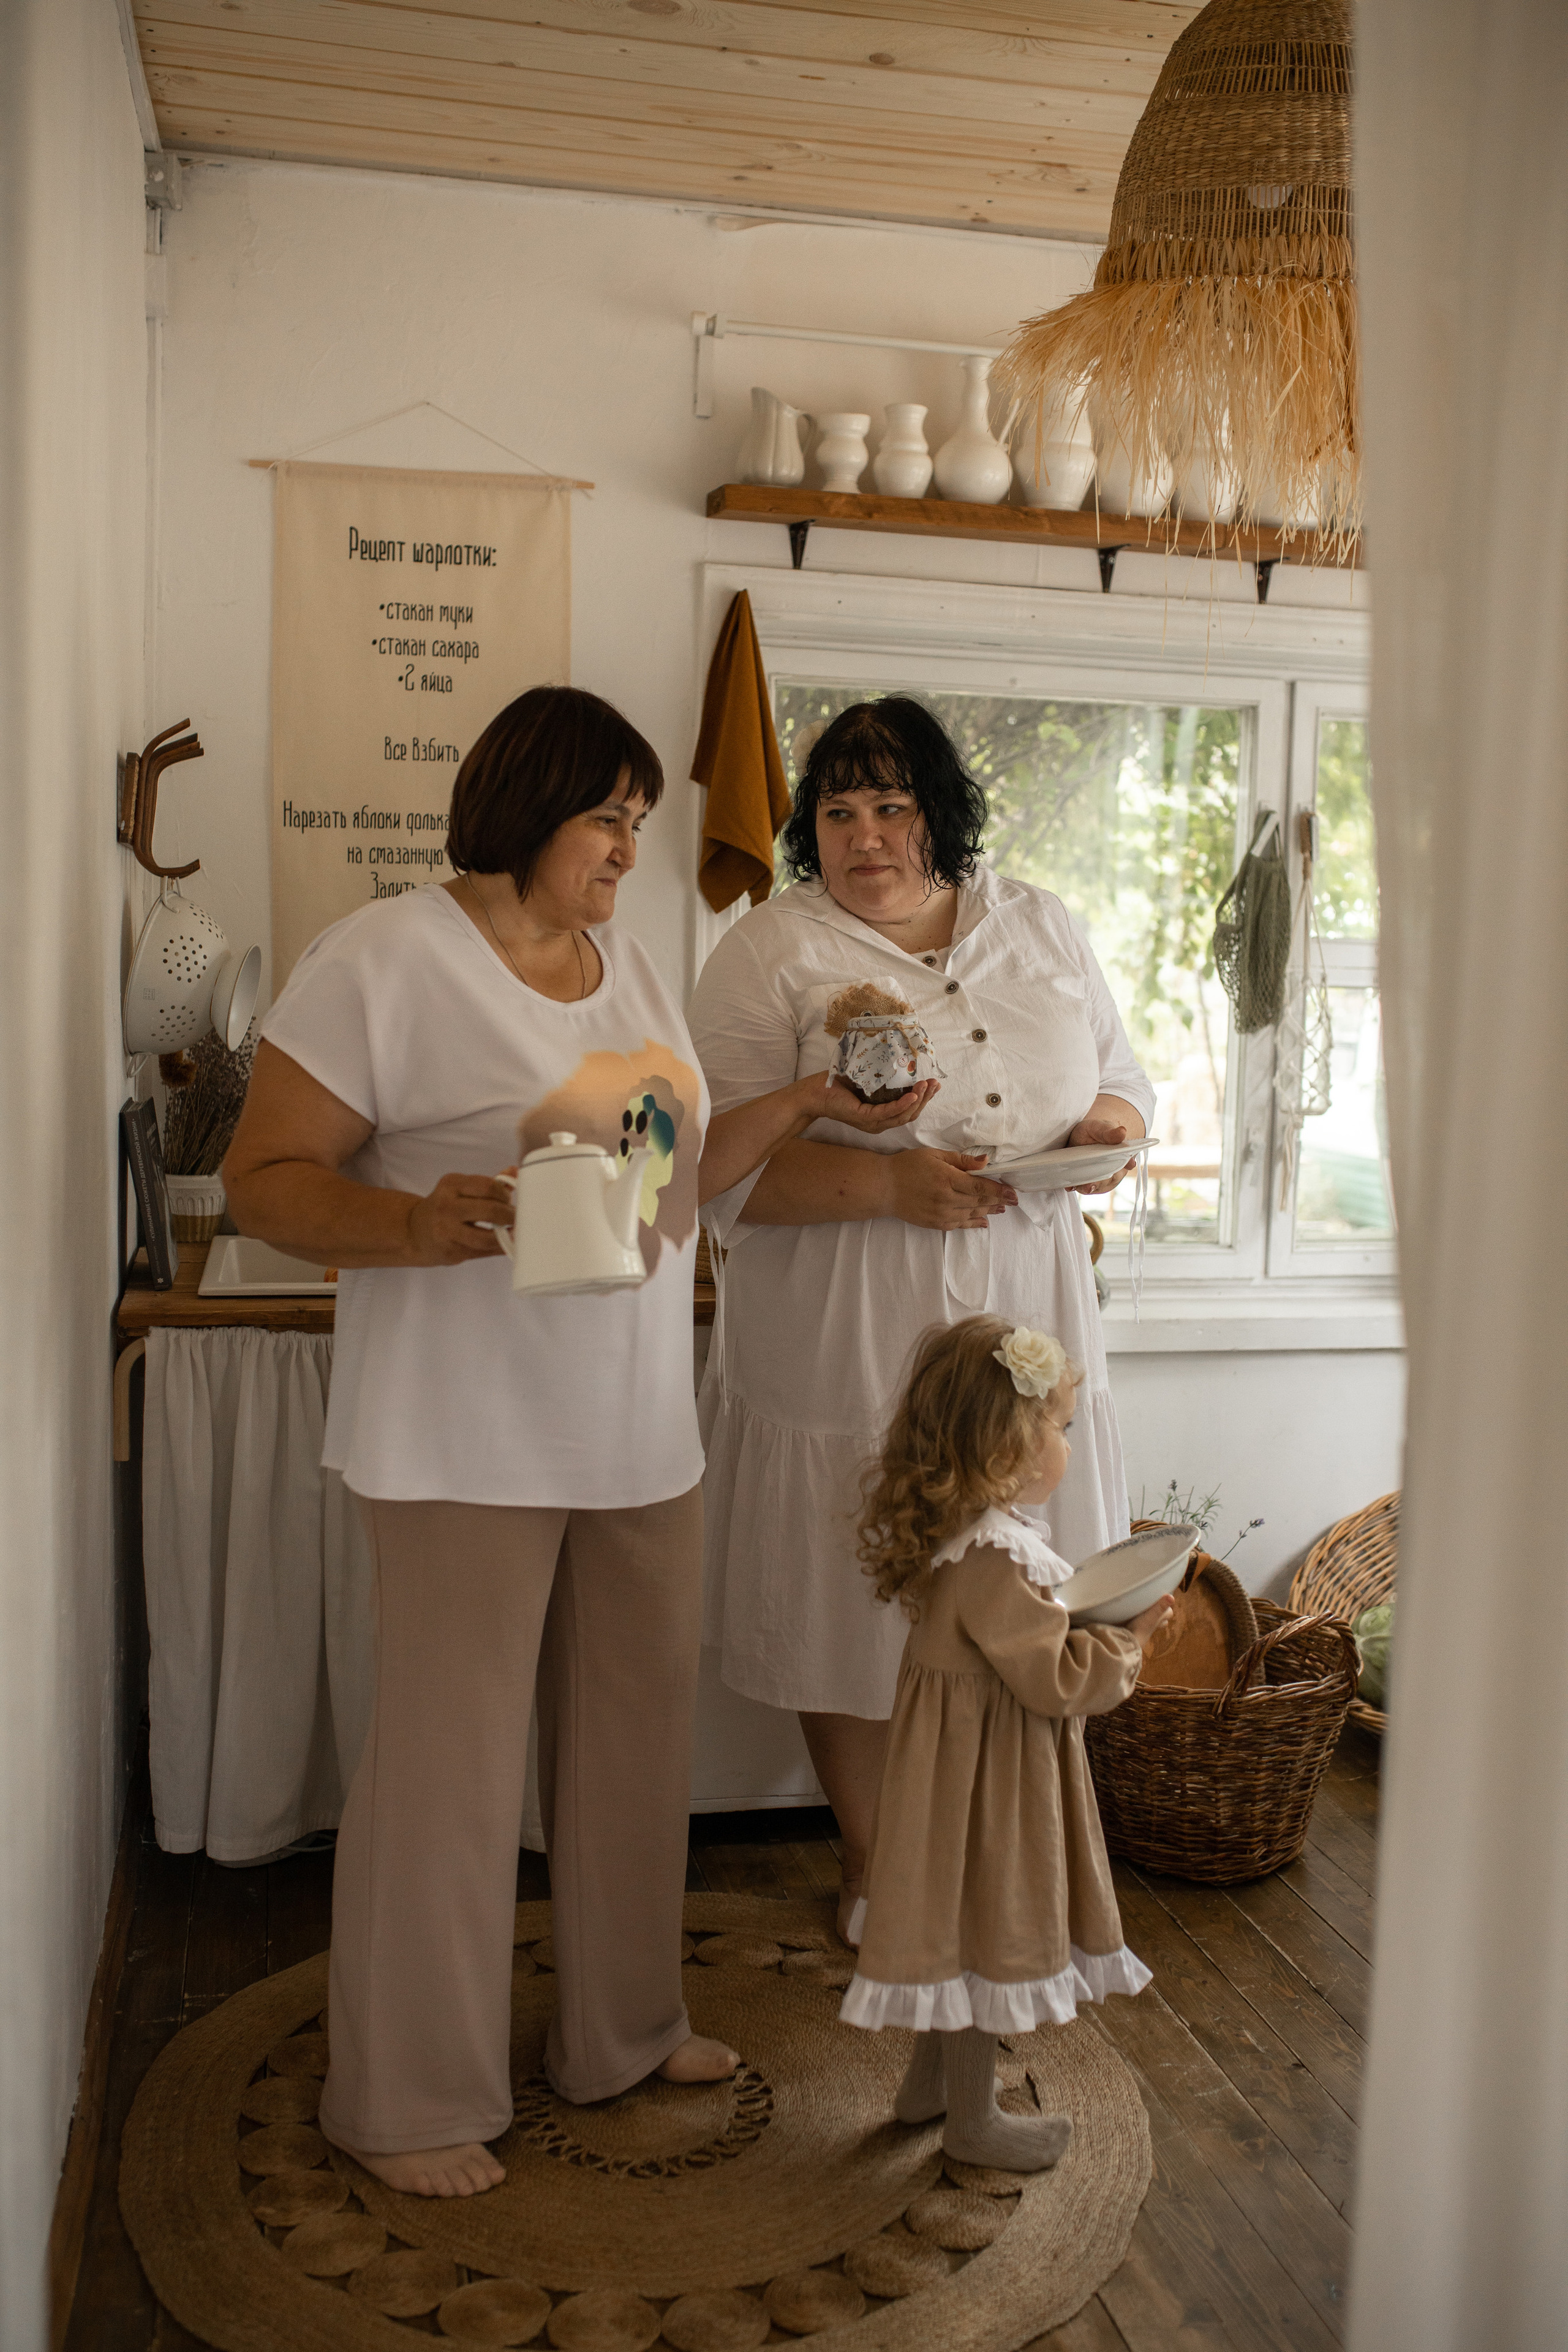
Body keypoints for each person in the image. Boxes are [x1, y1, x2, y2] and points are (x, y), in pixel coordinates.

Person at [223, 685, 924, 2199]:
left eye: (637, 825)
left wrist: (806, 1102)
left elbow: (677, 1177)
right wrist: (412, 1225)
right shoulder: (385, 959)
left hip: (633, 1429)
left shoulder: (628, 966)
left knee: (625, 1754)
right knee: (448, 1776)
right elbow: (264, 1181)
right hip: (460, 1439)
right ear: (523, 805)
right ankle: (405, 2097)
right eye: (607, 818)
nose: (626, 849)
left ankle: (618, 2030)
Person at [687, 696, 1154, 1942]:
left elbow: (1120, 1079)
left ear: (939, 814)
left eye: (891, 806)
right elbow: (708, 1173)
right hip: (847, 1315)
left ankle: (995, 1854)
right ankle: (871, 1862)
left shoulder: (1038, 923)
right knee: (849, 1583)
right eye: (836, 812)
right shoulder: (764, 954)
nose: (866, 837)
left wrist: (1104, 1135)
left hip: (1025, 1299)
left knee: (1011, 1571)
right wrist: (886, 1183)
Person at [839, 1316, 1172, 2171]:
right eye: (1058, 1428)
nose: (1066, 1442)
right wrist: (1130, 1643)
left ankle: (929, 2086)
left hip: (964, 1777)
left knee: (957, 1935)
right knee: (987, 1931)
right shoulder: (997, 1563)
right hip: (987, 1790)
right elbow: (1055, 1680)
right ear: (1010, 1448)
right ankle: (975, 2120)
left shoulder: (979, 1545)